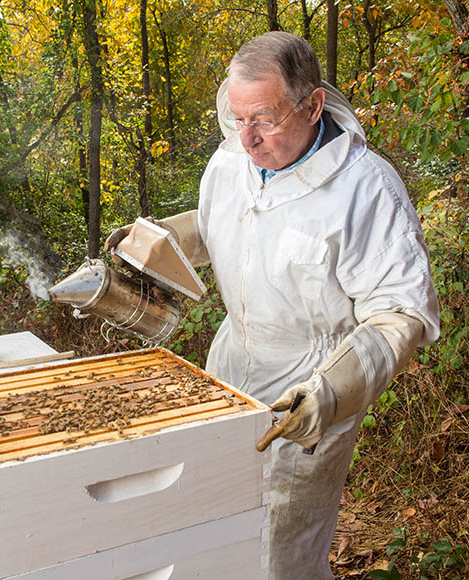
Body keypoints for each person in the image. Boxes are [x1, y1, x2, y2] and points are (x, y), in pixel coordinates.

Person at [106, 31, 439, 580]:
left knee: (280, 555)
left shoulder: (366, 189)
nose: (248, 139)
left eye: (262, 119)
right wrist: (154, 241)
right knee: (207, 530)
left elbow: (399, 312)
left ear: (312, 105)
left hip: (307, 392)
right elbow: (221, 228)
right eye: (237, 120)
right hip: (230, 370)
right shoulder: (230, 160)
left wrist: (329, 392)